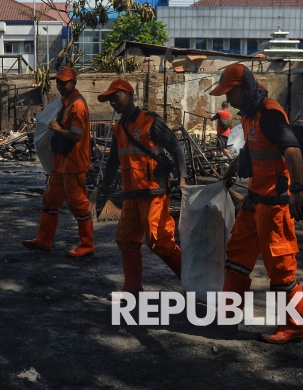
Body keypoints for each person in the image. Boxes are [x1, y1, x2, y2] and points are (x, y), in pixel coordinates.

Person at [209, 63, 303, 344]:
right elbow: (250, 151)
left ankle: (292, 326)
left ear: (245, 88)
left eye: (230, 92)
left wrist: (298, 190)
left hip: (275, 205)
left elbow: (292, 149)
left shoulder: (269, 113)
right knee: (237, 258)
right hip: (254, 200)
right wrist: (229, 174)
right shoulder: (249, 115)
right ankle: (228, 319)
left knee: (280, 266)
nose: (227, 99)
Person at [98, 79, 188, 293]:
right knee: (126, 239)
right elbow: (113, 161)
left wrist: (182, 178)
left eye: (116, 97)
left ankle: (194, 279)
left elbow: (176, 148)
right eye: (110, 99)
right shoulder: (118, 129)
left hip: (154, 191)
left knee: (159, 241)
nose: (113, 102)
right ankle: (132, 287)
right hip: (131, 193)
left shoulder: (151, 122)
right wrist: (105, 184)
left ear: (129, 95)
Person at [22, 65, 94, 257]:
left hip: (73, 164)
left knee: (78, 203)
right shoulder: (65, 103)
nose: (60, 86)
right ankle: (44, 240)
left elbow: (76, 136)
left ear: (74, 82)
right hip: (61, 163)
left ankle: (87, 244)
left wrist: (56, 129)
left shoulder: (77, 105)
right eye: (58, 82)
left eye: (64, 82)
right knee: (50, 200)